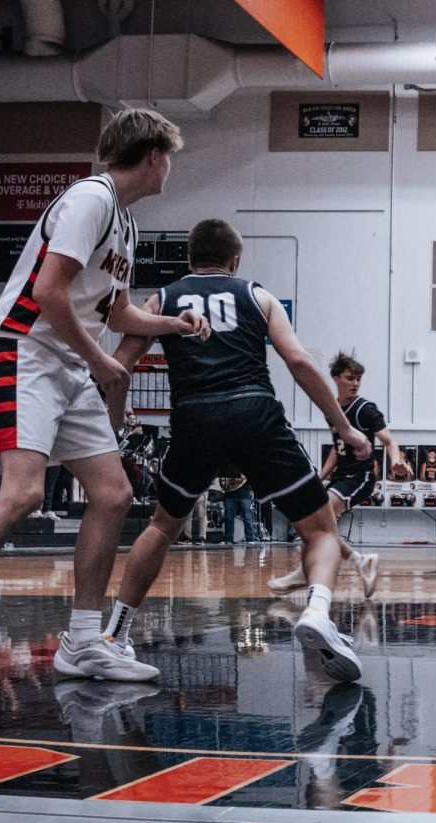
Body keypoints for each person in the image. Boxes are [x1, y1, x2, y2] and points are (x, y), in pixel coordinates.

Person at [0, 108, 202, 690]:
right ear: (153, 156)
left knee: (114, 493)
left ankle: (84, 641)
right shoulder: (89, 200)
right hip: (24, 352)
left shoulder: (126, 223)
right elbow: (48, 292)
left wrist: (175, 323)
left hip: (67, 361)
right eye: (168, 156)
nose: (169, 167)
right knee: (20, 493)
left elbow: (116, 312)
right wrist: (100, 361)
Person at [105, 218, 373, 683]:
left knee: (163, 527)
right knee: (320, 529)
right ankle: (317, 611)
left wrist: (111, 428)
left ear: (189, 259)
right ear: (235, 261)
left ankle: (115, 634)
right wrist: (343, 426)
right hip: (255, 413)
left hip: (194, 417)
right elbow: (300, 362)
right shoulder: (258, 295)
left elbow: (119, 366)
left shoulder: (161, 300)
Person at [268, 352, 408, 598]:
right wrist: (320, 477)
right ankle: (359, 561)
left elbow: (389, 440)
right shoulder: (333, 409)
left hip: (360, 477)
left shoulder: (365, 409)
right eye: (350, 378)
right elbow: (337, 447)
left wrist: (396, 461)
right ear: (336, 378)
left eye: (358, 379)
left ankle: (305, 572)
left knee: (317, 523)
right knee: (317, 524)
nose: (355, 383)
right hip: (340, 477)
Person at [219, 471, 259, 543]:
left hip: (244, 495)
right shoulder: (229, 466)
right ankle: (228, 539)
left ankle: (250, 539)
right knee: (229, 518)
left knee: (247, 518)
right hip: (230, 495)